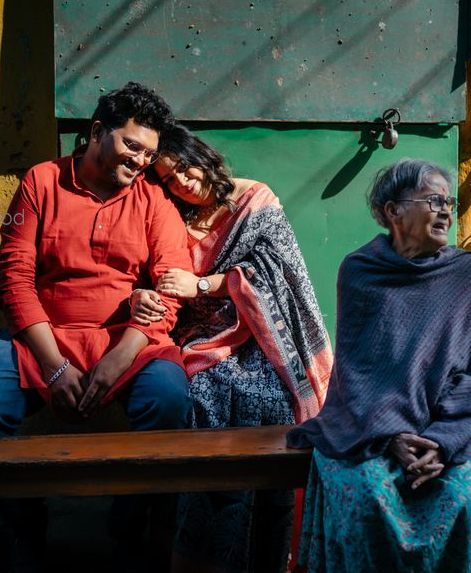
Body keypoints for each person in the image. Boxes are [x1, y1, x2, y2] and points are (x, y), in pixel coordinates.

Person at [0, 82, 194, 568]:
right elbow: (15, 280)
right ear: (97, 131)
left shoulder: (154, 203)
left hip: (128, 343)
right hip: (43, 335)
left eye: (149, 153)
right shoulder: (42, 182)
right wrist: (55, 366)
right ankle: (26, 524)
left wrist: (117, 362)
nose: (140, 161)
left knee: (169, 402)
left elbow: (169, 293)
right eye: (131, 145)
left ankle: (127, 527)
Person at [284, 159, 471, 573]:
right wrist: (391, 436)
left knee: (458, 500)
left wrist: (444, 440)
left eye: (449, 201)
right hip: (373, 427)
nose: (447, 210)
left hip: (451, 428)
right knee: (364, 495)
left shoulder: (463, 272)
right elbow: (357, 374)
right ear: (393, 211)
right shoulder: (360, 271)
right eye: (434, 200)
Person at [129, 129, 333, 573]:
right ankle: (207, 553)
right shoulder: (169, 217)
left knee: (274, 401)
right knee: (201, 395)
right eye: (167, 179)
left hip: (263, 337)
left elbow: (278, 272)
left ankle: (268, 552)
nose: (181, 181)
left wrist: (203, 283)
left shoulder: (255, 199)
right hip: (202, 335)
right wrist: (143, 294)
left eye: (183, 167)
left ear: (201, 156)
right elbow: (147, 273)